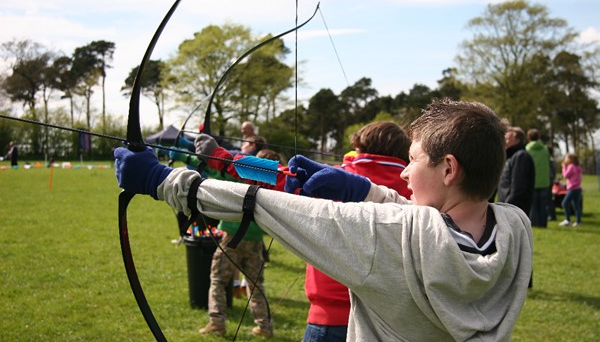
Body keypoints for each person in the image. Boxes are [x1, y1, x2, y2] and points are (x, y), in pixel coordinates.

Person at [114, 98, 534, 341]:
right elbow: (422, 220)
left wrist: (177, 176)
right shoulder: (514, 230)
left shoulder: (386, 228)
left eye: (414, 161)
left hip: (326, 318)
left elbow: (270, 197)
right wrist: (363, 190)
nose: (405, 174)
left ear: (448, 169)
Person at [299, 121, 412, 342]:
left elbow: (281, 179)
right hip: (391, 321)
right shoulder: (415, 188)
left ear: (360, 147)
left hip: (330, 317)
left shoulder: (332, 177)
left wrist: (224, 159)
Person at [169, 134, 275, 337]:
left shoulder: (243, 176)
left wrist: (189, 158)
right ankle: (265, 326)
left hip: (232, 238)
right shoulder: (272, 184)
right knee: (255, 286)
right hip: (256, 242)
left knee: (217, 280)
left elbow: (213, 174)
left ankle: (217, 323)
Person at [497, 126, 535, 214]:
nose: (505, 142)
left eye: (508, 139)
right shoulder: (510, 157)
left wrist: (507, 208)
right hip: (507, 207)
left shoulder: (521, 156)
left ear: (517, 140)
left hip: (513, 210)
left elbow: (518, 188)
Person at [525, 129, 551, 227]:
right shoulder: (545, 149)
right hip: (544, 181)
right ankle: (543, 223)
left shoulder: (527, 149)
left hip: (532, 181)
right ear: (539, 137)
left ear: (528, 138)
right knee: (543, 205)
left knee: (533, 205)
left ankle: (534, 223)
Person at [559, 153, 583, 227]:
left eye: (566, 158)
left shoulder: (571, 166)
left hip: (572, 189)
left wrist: (563, 167)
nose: (565, 159)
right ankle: (578, 222)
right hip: (578, 188)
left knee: (564, 203)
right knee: (576, 206)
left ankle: (567, 220)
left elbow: (566, 175)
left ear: (570, 159)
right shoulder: (577, 167)